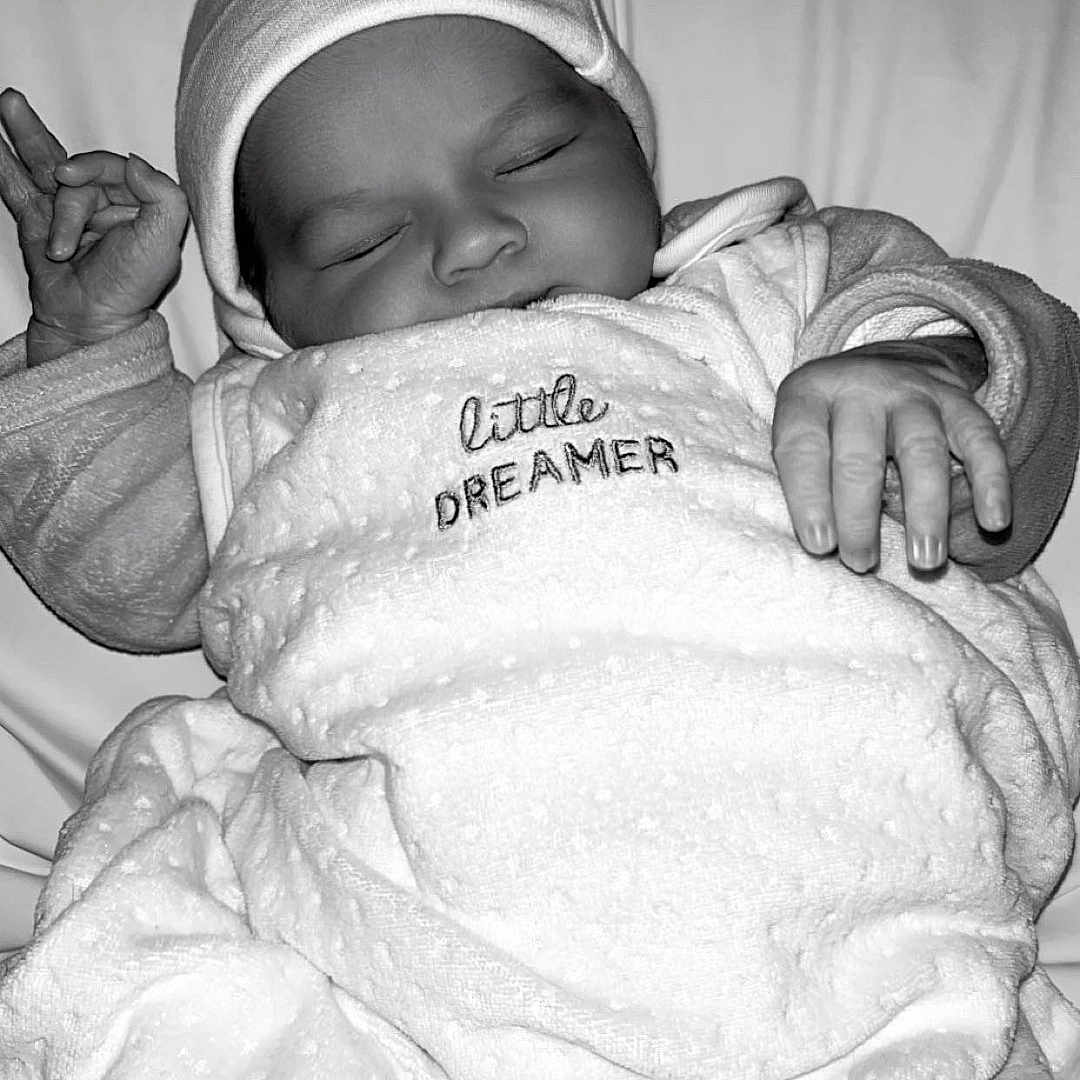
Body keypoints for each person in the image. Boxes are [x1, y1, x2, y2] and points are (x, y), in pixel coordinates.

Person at [0, 2, 1078, 1077]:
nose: (472, 238)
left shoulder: (771, 286)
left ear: (632, 147)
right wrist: (89, 340)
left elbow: (1009, 404)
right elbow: (121, 569)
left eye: (534, 154)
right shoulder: (283, 419)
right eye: (358, 240)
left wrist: (922, 373)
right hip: (420, 950)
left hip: (853, 853)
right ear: (276, 313)